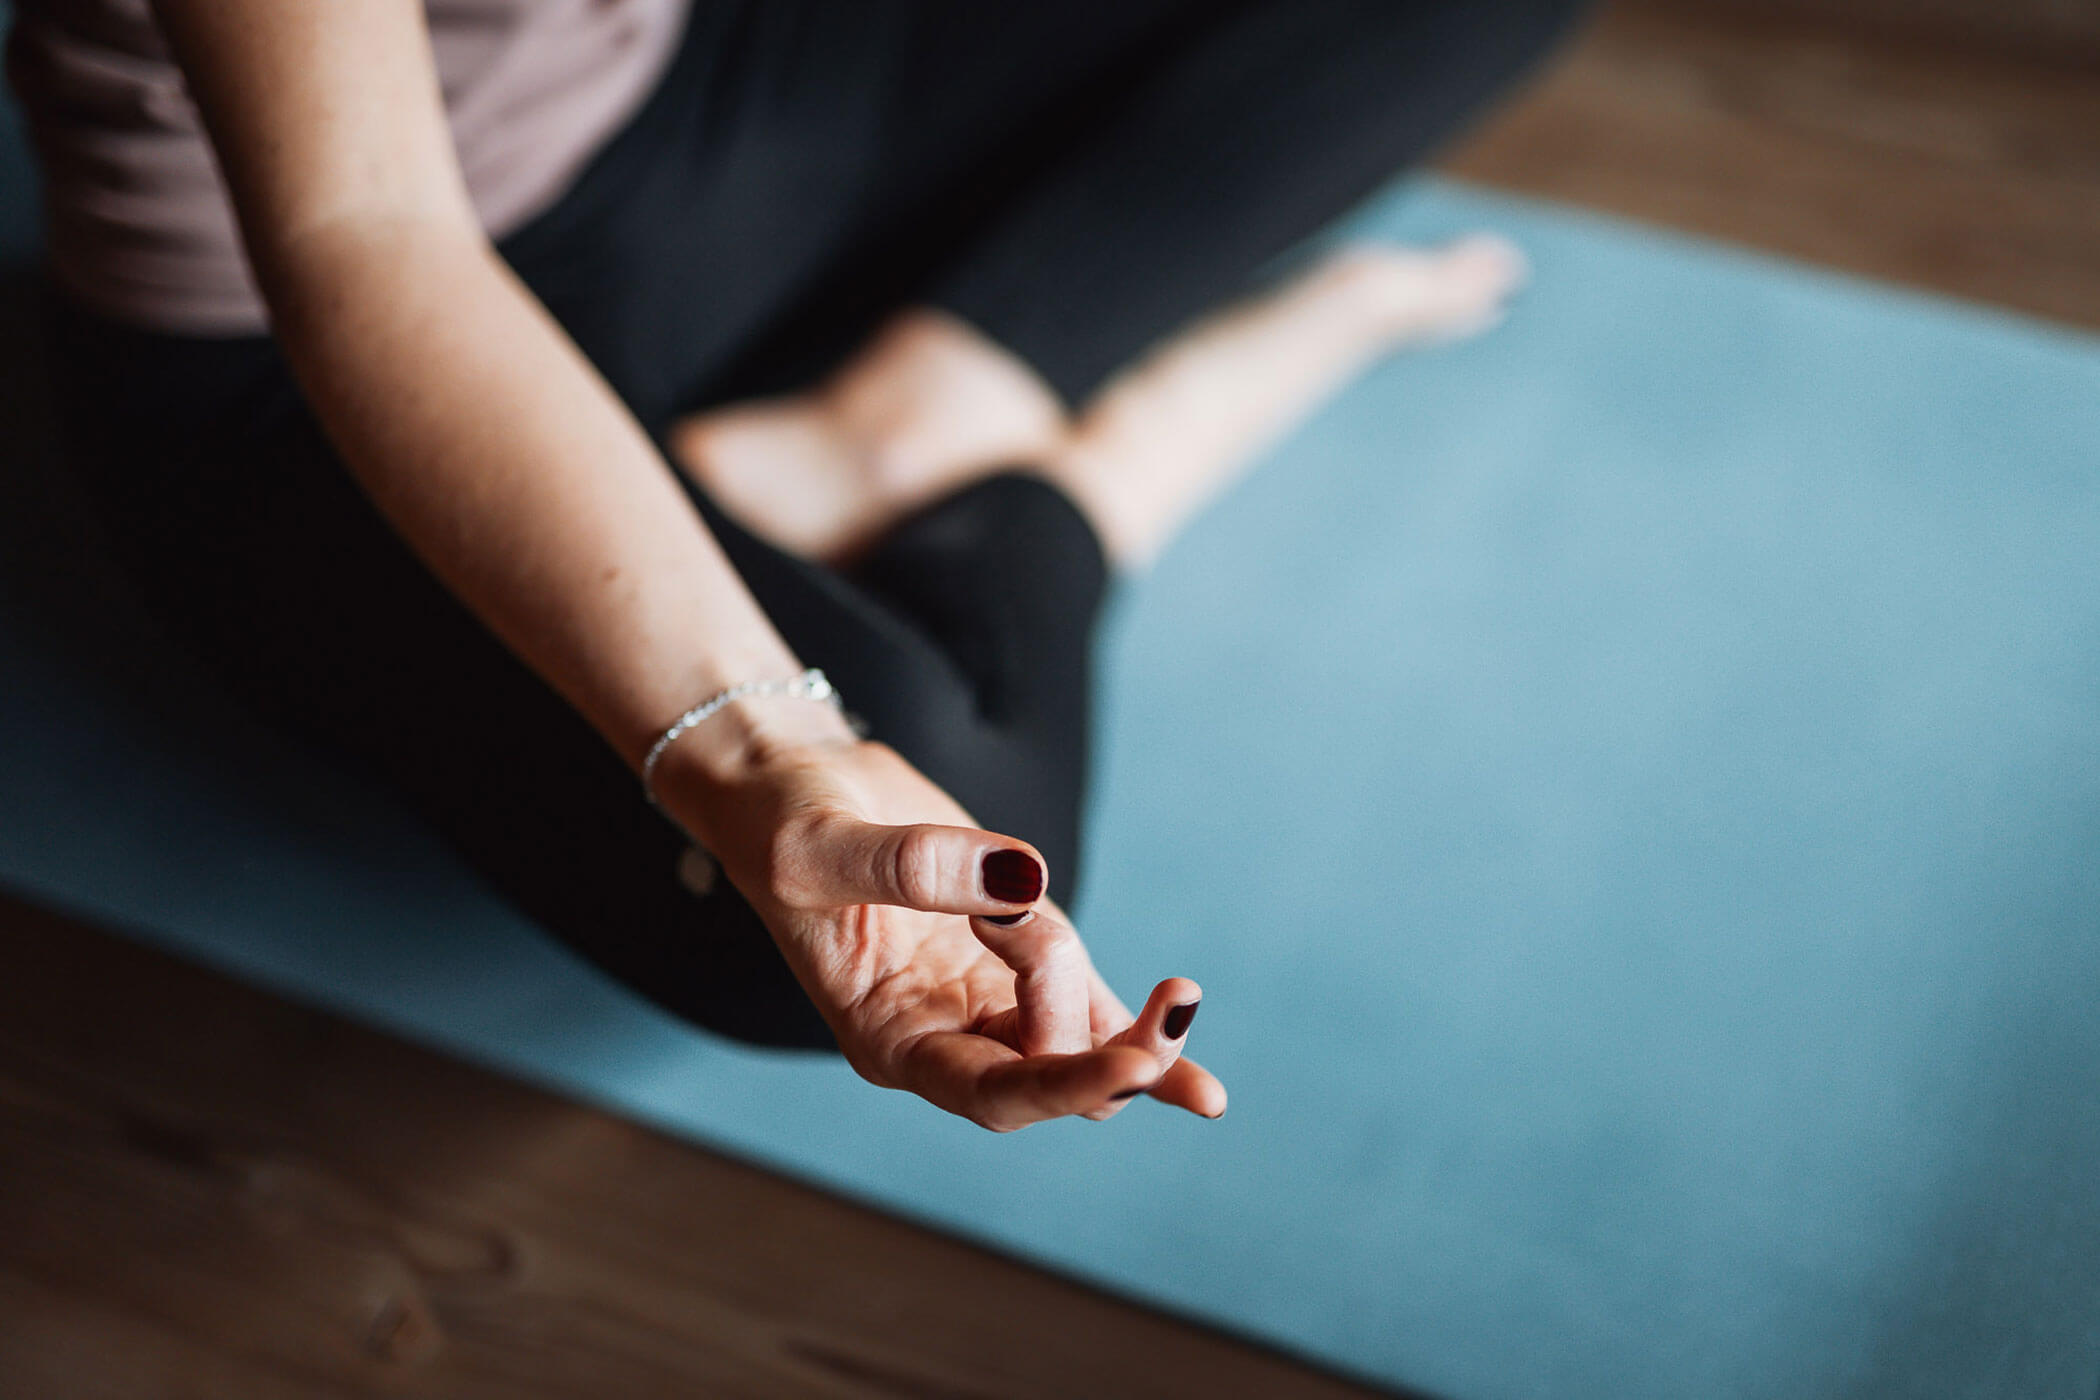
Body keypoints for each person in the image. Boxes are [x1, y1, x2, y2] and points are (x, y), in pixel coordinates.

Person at [9, 0, 1582, 1131]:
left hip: (688, 98)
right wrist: (774, 758)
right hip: (316, 343)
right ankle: (1113, 458)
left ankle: (899, 424)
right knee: (926, 913)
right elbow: (367, 234)